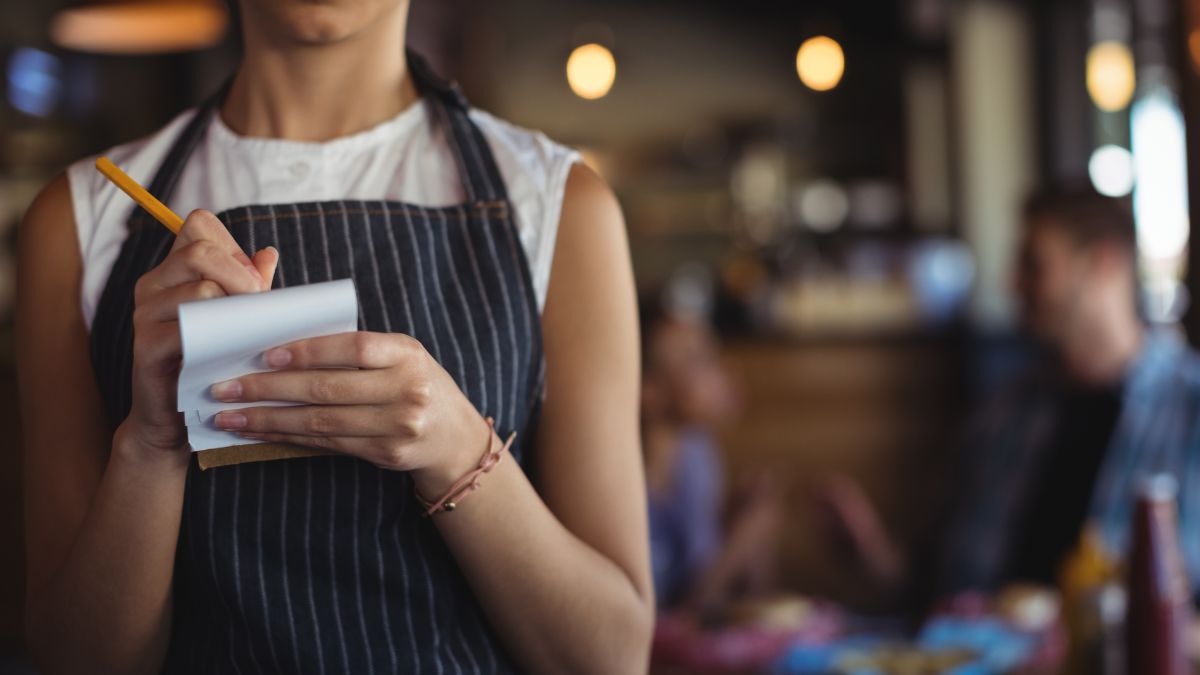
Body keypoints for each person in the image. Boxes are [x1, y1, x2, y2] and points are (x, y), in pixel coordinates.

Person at [17, 2, 653, 673]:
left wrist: (457, 445)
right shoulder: (79, 221)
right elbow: (74, 658)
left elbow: (610, 655)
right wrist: (149, 446)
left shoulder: (562, 206)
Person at [817, 184, 1200, 604]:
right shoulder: (1003, 413)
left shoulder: (1188, 410)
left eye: (1033, 265)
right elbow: (931, 588)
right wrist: (872, 556)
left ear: (1102, 263)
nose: (1013, 283)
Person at [641, 303, 779, 615]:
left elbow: (742, 604)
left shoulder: (697, 455)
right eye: (698, 360)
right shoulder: (621, 482)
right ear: (647, 389)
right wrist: (739, 543)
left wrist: (752, 537)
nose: (724, 371)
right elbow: (677, 618)